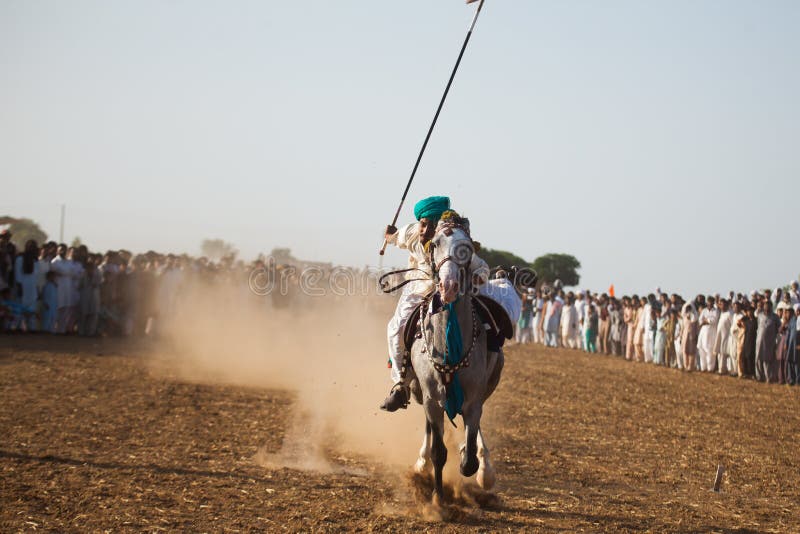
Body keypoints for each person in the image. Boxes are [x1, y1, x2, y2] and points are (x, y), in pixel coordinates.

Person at [379, 196, 488, 412]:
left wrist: (478, 278)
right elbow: (396, 237)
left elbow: (482, 267)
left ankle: (487, 364)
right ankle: (400, 383)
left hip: (449, 291)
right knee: (395, 328)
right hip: (417, 288)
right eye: (423, 223)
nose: (425, 229)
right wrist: (389, 234)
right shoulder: (411, 232)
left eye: (430, 224)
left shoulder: (451, 241)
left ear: (440, 225)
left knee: (485, 322)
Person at [755, 300, 779, 383]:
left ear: (771, 307)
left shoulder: (775, 317)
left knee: (767, 359)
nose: (766, 307)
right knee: (758, 358)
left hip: (769, 342)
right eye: (765, 305)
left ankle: (768, 377)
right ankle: (759, 376)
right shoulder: (760, 315)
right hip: (759, 341)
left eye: (768, 306)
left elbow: (778, 329)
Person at [712, 299, 733, 375]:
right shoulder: (722, 313)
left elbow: (732, 325)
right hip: (720, 335)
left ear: (727, 305)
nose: (721, 306)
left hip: (727, 336)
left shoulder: (730, 313)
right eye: (720, 304)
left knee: (724, 353)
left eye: (723, 304)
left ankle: (723, 370)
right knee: (719, 352)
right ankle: (721, 368)